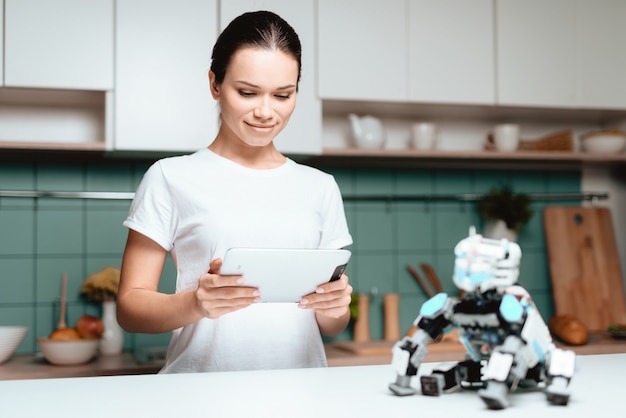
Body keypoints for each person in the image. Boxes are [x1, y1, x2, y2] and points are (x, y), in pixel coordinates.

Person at [116, 10, 353, 373]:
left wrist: (336, 307)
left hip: (304, 397)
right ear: (215, 84)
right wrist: (196, 304)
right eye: (247, 92)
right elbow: (130, 308)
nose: (265, 111)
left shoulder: (320, 187)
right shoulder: (170, 177)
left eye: (282, 95)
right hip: (199, 395)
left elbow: (330, 324)